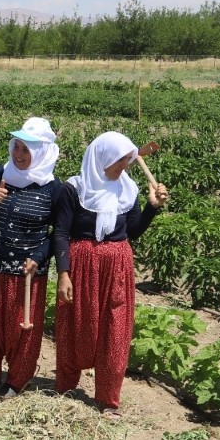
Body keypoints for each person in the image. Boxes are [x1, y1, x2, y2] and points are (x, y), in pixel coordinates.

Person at [53, 132, 169, 416]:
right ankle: (65, 387)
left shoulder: (127, 190)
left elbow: (132, 232)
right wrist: (63, 273)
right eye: (118, 161)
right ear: (100, 158)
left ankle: (107, 398)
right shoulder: (75, 188)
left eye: (126, 161)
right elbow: (61, 232)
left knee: (115, 327)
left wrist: (152, 209)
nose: (123, 166)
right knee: (76, 323)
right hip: (81, 263)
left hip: (117, 265)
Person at [0, 117, 62, 398]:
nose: (18, 155)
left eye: (26, 150)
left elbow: (59, 231)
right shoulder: (0, 174)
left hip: (26, 270)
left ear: (42, 153)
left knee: (22, 328)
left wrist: (39, 255)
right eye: (17, 147)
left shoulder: (52, 188)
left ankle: (16, 380)